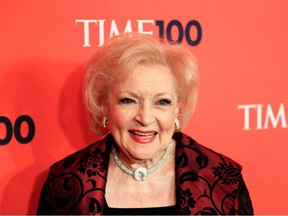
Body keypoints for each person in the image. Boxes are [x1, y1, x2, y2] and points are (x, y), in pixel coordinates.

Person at [37, 33, 253, 215]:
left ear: (178, 108)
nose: (145, 118)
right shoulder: (66, 184)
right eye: (128, 100)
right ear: (104, 105)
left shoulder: (224, 182)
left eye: (162, 102)